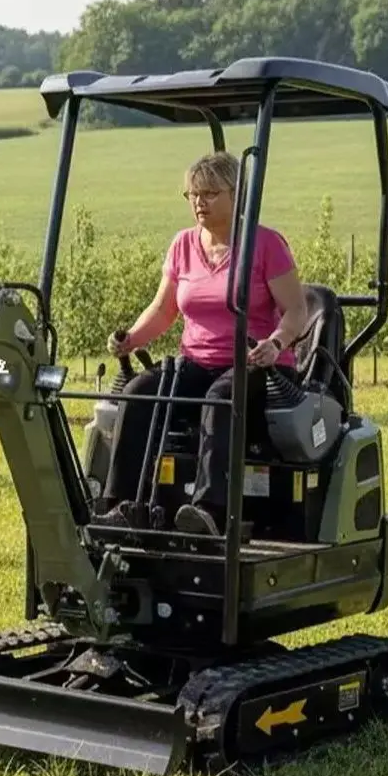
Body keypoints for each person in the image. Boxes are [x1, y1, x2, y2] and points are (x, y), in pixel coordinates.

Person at [97, 151, 309, 537]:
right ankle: (122, 505)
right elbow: (163, 310)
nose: (199, 202)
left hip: (258, 363)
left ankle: (209, 511)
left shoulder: (265, 244)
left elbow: (297, 311)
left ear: (236, 194)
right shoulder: (182, 245)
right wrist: (131, 339)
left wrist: (276, 344)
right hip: (196, 360)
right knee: (139, 391)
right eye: (193, 194)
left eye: (210, 193)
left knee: (220, 395)